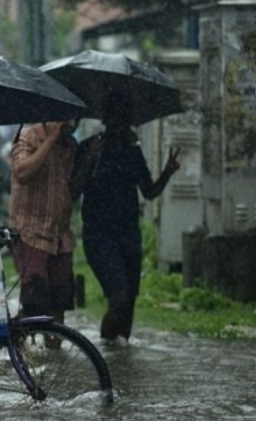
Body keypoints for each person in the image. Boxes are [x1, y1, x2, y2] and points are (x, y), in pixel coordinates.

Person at [75, 92, 180, 346]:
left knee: (128, 304)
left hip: (128, 235)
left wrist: (167, 172)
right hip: (98, 235)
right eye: (116, 120)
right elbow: (72, 191)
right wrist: (89, 160)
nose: (120, 126)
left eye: (125, 120)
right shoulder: (89, 147)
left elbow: (149, 191)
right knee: (119, 297)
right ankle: (103, 353)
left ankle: (119, 357)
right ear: (106, 119)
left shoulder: (132, 152)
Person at [8, 119, 81, 340]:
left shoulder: (70, 146)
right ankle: (17, 349)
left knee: (59, 304)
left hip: (60, 236)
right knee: (35, 304)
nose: (73, 123)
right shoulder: (28, 136)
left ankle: (54, 358)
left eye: (77, 118)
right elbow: (21, 172)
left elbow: (69, 189)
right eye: (67, 118)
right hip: (30, 233)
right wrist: (49, 140)